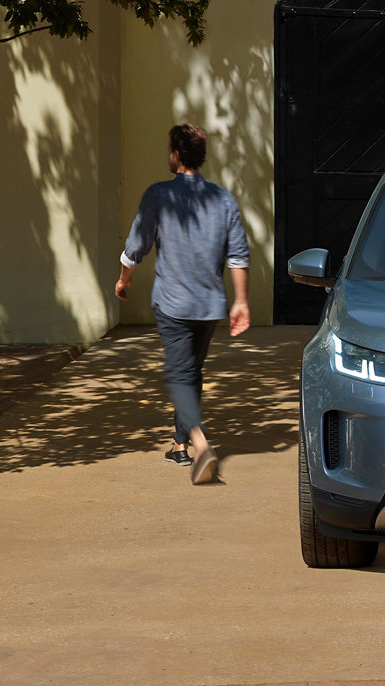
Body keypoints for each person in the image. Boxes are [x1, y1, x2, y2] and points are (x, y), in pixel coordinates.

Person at [114, 123, 250, 485]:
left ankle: (201, 444)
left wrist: (123, 281)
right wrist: (242, 302)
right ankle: (179, 443)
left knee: (179, 373)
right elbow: (238, 255)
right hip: (209, 306)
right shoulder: (222, 199)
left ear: (175, 154)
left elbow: (136, 247)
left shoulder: (159, 194)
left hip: (173, 304)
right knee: (190, 371)